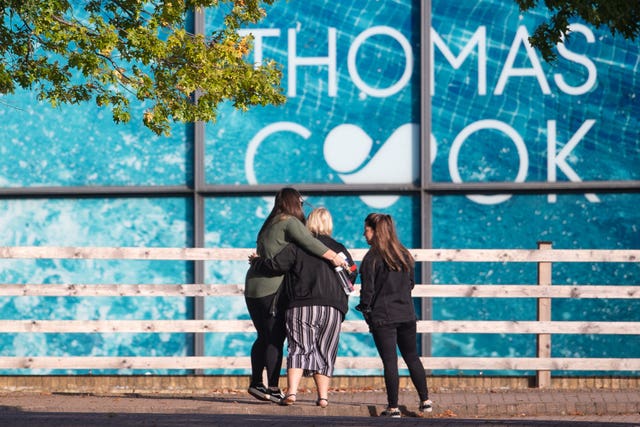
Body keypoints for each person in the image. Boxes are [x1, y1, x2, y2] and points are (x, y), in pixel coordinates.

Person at [244, 188, 347, 403]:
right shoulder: (290, 222)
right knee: (274, 338)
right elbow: (310, 243)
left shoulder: (270, 223)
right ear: (294, 203)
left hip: (253, 287)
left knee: (263, 336)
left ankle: (256, 382)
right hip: (270, 288)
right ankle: (272, 386)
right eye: (300, 202)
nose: (302, 206)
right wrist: (333, 257)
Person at [355, 213, 433, 418]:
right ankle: (425, 400)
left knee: (390, 361)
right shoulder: (404, 254)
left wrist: (364, 308)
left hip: (383, 316)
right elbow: (410, 284)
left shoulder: (371, 258)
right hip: (406, 313)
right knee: (412, 357)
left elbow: (367, 292)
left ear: (375, 230)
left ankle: (393, 407)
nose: (364, 233)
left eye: (367, 229)